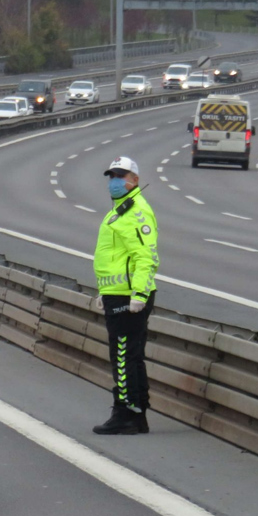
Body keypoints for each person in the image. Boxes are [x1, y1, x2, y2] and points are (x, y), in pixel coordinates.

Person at [92, 157, 158, 436]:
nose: (115, 181)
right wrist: (103, 289)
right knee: (130, 356)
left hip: (128, 298)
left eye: (121, 176)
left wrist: (139, 294)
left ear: (135, 180)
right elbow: (116, 258)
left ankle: (126, 414)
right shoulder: (120, 211)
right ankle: (137, 413)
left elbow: (145, 257)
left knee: (123, 356)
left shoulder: (136, 212)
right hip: (116, 294)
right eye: (111, 176)